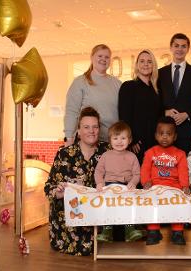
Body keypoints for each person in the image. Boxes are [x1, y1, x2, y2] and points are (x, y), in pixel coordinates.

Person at [44, 107, 108, 256]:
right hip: (67, 230)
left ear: (99, 129)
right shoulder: (64, 154)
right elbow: (48, 188)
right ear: (78, 130)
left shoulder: (108, 151)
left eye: (95, 127)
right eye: (86, 127)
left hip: (98, 224)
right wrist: (59, 192)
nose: (91, 131)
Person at [140, 116, 190, 245]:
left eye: (169, 134)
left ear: (175, 136)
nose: (164, 137)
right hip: (155, 186)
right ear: (156, 135)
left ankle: (177, 231)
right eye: (161, 133)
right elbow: (145, 169)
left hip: (174, 187)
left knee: (178, 204)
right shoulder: (150, 152)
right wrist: (146, 182)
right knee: (151, 202)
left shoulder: (180, 154)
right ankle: (153, 231)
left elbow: (183, 171)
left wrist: (184, 186)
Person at [94, 121, 143, 242]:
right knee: (108, 207)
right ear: (110, 140)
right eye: (115, 138)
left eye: (123, 138)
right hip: (109, 186)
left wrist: (133, 183)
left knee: (129, 205)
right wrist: (99, 183)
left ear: (129, 140)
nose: (119, 141)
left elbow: (137, 174)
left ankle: (130, 230)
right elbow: (98, 171)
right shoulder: (106, 156)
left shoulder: (132, 156)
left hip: (127, 186)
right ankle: (107, 231)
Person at [64, 44, 121, 145]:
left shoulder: (117, 83)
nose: (103, 59)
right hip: (89, 141)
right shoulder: (80, 82)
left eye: (107, 57)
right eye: (100, 56)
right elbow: (72, 111)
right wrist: (69, 137)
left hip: (113, 141)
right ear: (92, 57)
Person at [158, 33, 191, 154]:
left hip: (186, 131)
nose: (180, 49)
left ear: (188, 49)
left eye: (183, 46)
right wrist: (165, 112)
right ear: (171, 47)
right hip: (164, 130)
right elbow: (155, 100)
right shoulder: (160, 73)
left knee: (184, 167)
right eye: (176, 45)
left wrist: (187, 114)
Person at [118, 49, 162, 164]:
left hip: (154, 142)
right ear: (137, 65)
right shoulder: (128, 86)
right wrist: (132, 140)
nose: (145, 64)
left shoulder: (157, 90)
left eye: (149, 61)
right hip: (137, 144)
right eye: (142, 61)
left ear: (153, 65)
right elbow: (124, 116)